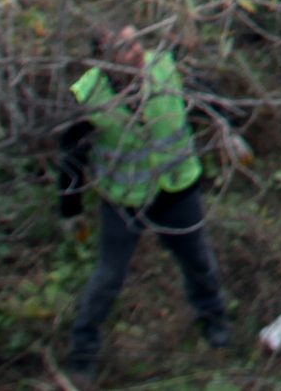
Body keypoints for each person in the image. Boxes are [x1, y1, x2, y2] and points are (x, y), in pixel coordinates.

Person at [57, 23, 233, 379]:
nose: (135, 52)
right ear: (102, 61)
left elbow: (209, 99)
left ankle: (214, 320)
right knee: (108, 276)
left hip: (177, 188)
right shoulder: (88, 96)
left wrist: (228, 130)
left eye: (136, 42)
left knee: (199, 260)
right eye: (123, 49)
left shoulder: (166, 66)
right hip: (124, 201)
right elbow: (72, 157)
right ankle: (83, 351)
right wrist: (70, 210)